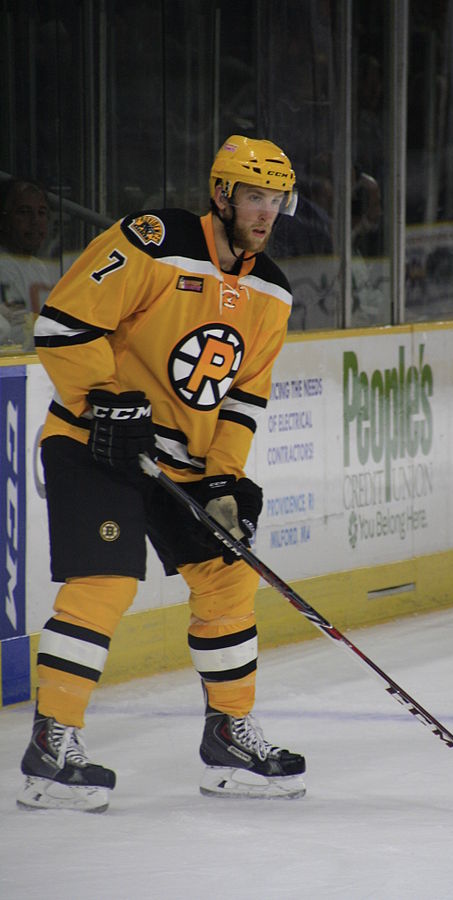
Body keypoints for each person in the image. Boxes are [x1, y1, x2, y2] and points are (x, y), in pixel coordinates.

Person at [17, 135, 306, 812]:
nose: (265, 213)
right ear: (222, 194)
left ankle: (229, 738)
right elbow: (61, 324)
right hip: (94, 442)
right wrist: (104, 401)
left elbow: (242, 397)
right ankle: (51, 746)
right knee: (105, 583)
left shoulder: (273, 291)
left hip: (181, 463)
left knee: (229, 575)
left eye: (277, 200)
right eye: (254, 197)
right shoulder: (154, 239)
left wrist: (227, 480)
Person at [0, 178, 58, 351]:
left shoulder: (39, 267)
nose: (35, 221)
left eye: (41, 213)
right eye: (24, 212)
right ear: (3, 220)